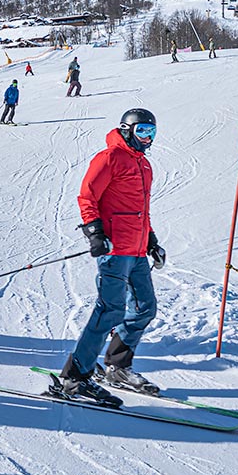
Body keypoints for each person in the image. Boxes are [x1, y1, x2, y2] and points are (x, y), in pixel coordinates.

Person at [56, 108, 166, 405]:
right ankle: (75, 376)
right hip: (115, 250)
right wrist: (95, 233)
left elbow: (140, 210)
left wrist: (151, 241)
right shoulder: (109, 158)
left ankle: (117, 367)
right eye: (142, 131)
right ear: (127, 130)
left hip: (137, 250)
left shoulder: (144, 165)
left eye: (152, 132)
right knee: (111, 311)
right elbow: (87, 196)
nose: (148, 138)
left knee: (144, 308)